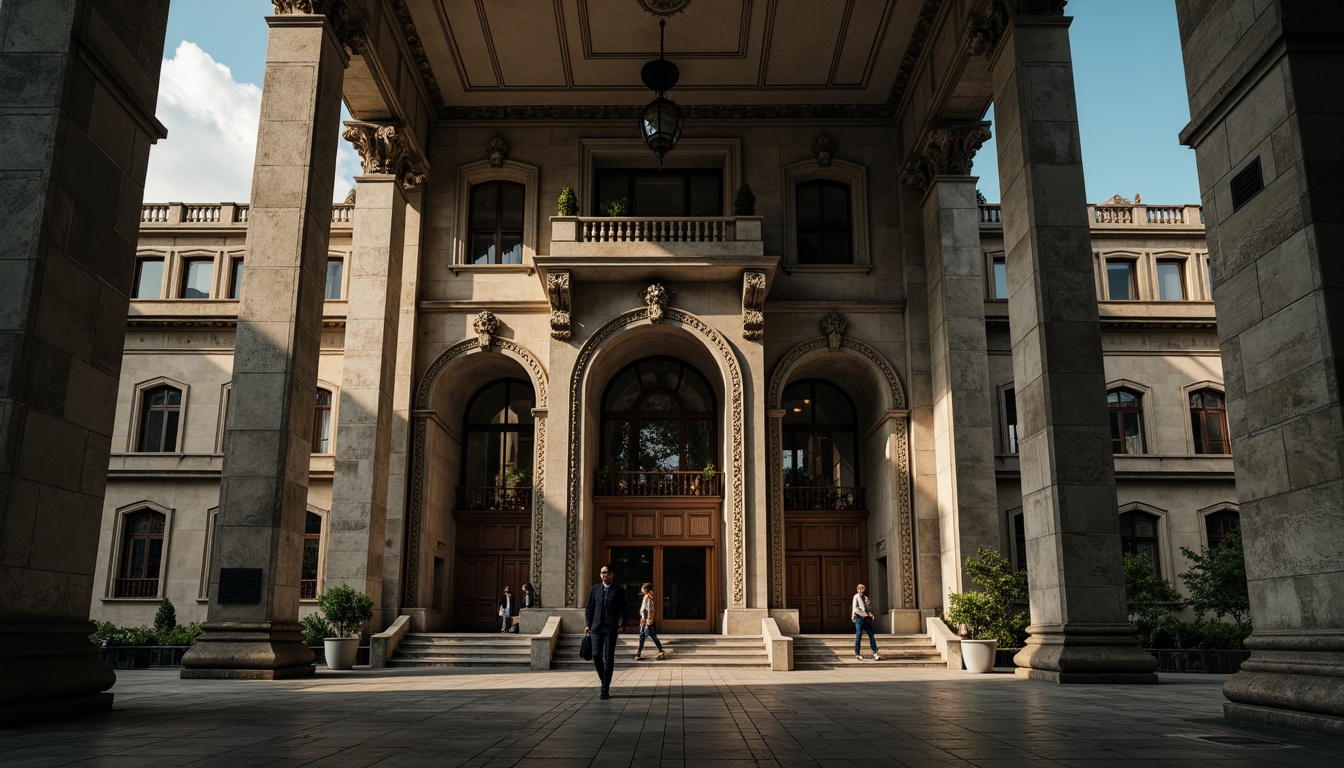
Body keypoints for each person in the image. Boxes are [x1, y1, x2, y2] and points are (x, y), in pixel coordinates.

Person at [584, 564, 628, 699]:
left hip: (611, 627)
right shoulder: (595, 589)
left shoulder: (619, 590)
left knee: (608, 657)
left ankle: (605, 689)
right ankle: (604, 679)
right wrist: (587, 624)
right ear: (600, 575)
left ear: (612, 574)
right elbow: (589, 608)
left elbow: (625, 609)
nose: (605, 575)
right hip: (596, 627)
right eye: (603, 573)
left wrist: (623, 623)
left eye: (608, 573)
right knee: (596, 654)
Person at [634, 583, 666, 661]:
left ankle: (661, 650)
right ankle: (638, 653)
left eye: (643, 588)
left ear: (646, 589)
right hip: (643, 619)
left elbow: (649, 611)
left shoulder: (648, 598)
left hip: (646, 620)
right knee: (643, 636)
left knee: (650, 635)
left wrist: (648, 622)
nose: (641, 589)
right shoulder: (646, 597)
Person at [851, 584, 881, 660]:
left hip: (866, 618)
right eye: (859, 588)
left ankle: (875, 653)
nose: (861, 589)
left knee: (871, 635)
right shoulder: (856, 596)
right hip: (859, 618)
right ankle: (857, 653)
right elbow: (855, 607)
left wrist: (869, 611)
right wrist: (853, 616)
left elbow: (867, 607)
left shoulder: (865, 597)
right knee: (859, 635)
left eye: (862, 588)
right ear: (857, 589)